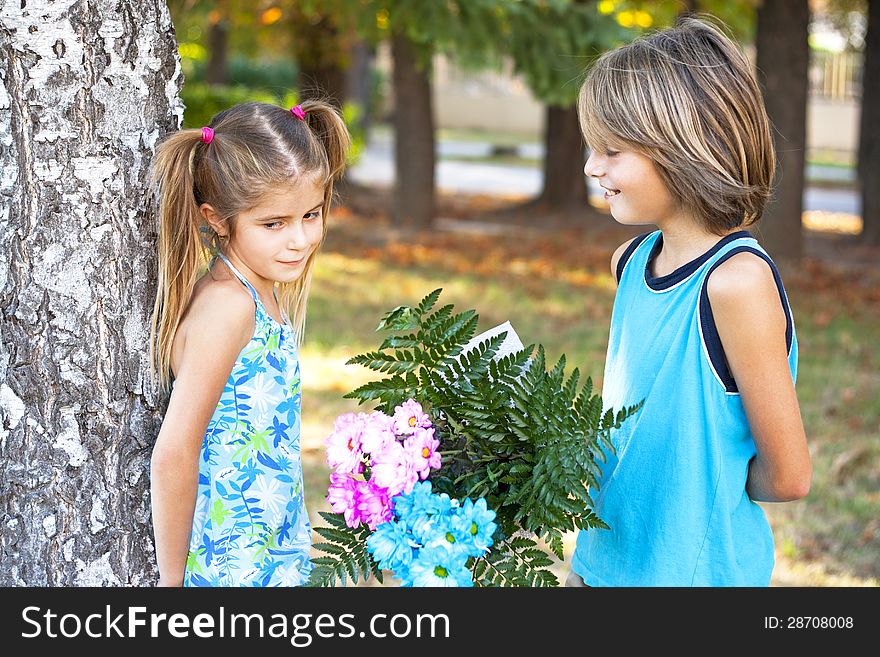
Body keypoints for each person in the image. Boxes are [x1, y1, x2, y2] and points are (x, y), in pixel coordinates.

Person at [568, 17, 812, 586]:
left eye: (612, 150)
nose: (591, 166)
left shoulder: (736, 283)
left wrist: (706, 484)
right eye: (591, 147)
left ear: (685, 151)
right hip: (599, 566)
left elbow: (789, 475)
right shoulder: (629, 263)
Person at [148, 100, 351, 587]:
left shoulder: (262, 297)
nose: (300, 239)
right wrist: (172, 585)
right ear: (217, 220)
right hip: (231, 570)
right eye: (274, 224)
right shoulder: (229, 307)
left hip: (273, 559)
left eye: (311, 214)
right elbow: (174, 453)